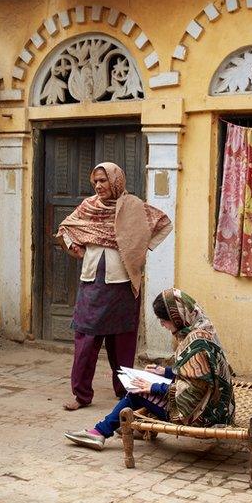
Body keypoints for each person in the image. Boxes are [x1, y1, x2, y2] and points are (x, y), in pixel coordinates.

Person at [56, 162, 172, 411]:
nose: (98, 186)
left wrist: (140, 248)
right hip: (92, 282)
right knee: (86, 340)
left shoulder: (133, 206)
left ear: (116, 181)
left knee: (122, 342)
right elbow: (66, 227)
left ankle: (124, 392)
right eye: (95, 181)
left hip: (123, 283)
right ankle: (81, 395)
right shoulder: (88, 206)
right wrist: (72, 246)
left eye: (103, 180)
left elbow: (163, 223)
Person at [64, 288, 235, 450]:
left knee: (137, 391)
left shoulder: (196, 344)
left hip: (204, 415)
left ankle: (100, 432)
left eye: (164, 320)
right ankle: (115, 428)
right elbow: (197, 377)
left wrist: (152, 387)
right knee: (144, 385)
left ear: (176, 317)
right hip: (217, 406)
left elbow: (192, 391)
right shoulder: (203, 328)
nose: (163, 325)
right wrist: (164, 372)